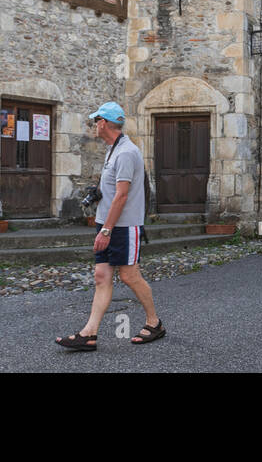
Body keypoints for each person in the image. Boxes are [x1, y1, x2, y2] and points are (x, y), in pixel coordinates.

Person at [56, 102, 165, 351]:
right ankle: (89, 334)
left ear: (104, 123)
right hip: (106, 223)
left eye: (96, 121)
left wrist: (106, 230)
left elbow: (122, 195)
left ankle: (154, 323)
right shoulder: (112, 150)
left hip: (123, 227)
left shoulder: (126, 152)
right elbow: (113, 190)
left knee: (129, 275)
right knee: (101, 276)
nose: (95, 125)